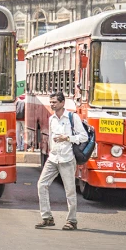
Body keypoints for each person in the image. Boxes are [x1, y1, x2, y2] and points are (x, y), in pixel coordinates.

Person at [36, 91, 88, 231]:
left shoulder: (72, 117)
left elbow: (84, 137)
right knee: (42, 185)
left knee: (70, 191)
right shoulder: (52, 119)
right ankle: (47, 217)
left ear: (62, 103)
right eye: (51, 102)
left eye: (55, 102)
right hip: (53, 158)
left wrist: (67, 138)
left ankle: (72, 221)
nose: (52, 104)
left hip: (67, 158)